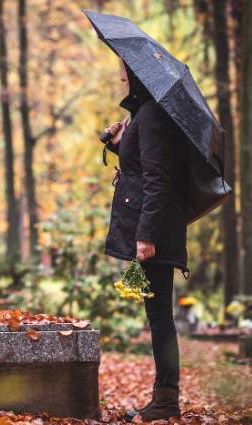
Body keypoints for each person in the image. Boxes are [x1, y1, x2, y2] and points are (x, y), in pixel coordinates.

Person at [102, 59, 190, 421]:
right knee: (158, 317)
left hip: (157, 232)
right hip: (155, 229)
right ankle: (164, 397)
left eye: (124, 70)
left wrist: (145, 236)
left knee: (160, 318)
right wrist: (117, 143)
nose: (121, 76)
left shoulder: (152, 116)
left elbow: (158, 179)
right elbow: (139, 167)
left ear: (137, 75)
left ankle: (167, 399)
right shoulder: (146, 115)